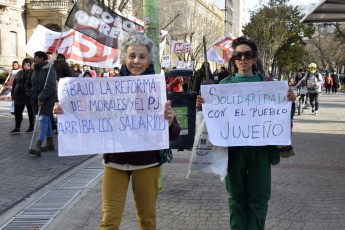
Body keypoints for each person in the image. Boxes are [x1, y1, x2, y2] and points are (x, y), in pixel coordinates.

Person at [53, 32, 181, 230]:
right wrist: (64, 112)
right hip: (115, 162)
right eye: (132, 56)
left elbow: (173, 134)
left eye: (142, 57)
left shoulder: (157, 88)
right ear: (124, 59)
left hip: (148, 163)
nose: (136, 61)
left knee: (147, 220)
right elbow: (91, 115)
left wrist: (170, 121)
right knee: (109, 222)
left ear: (149, 61)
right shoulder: (108, 86)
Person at [196, 36, 296, 230]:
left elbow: (281, 116)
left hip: (261, 150)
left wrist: (289, 103)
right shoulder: (223, 85)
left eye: (247, 54)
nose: (243, 58)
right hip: (234, 151)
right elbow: (214, 117)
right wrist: (203, 106)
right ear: (234, 60)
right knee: (236, 198)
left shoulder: (269, 86)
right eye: (238, 55)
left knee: (259, 198)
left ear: (255, 59)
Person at [25, 51, 57, 156]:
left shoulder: (49, 69)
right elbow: (28, 83)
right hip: (36, 98)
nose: (34, 59)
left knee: (43, 118)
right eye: (34, 57)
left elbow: (51, 85)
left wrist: (42, 97)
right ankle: (49, 143)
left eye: (36, 57)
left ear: (43, 59)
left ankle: (38, 145)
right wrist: (30, 94)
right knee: (46, 119)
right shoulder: (33, 69)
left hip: (48, 98)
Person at [10, 58, 35, 134]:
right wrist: (13, 93)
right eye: (24, 63)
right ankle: (17, 128)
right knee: (18, 113)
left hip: (28, 96)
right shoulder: (19, 72)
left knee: (31, 112)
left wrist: (29, 70)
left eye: (28, 64)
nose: (25, 65)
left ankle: (31, 127)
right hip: (18, 95)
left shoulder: (33, 73)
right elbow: (14, 83)